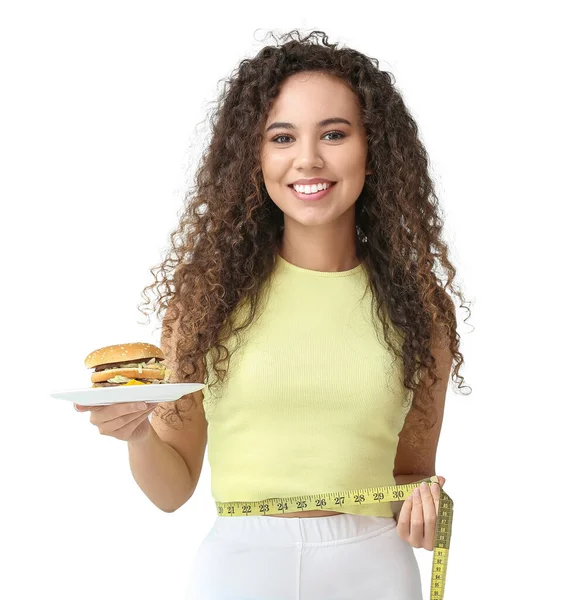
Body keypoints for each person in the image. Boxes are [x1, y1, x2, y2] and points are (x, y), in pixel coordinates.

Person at [76, 29, 469, 600]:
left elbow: (410, 472)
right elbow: (172, 489)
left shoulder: (421, 309)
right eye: (282, 137)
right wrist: (138, 434)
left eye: (334, 133)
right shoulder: (204, 302)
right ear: (254, 156)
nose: (307, 158)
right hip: (239, 570)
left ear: (373, 148)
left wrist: (426, 506)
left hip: (375, 572)